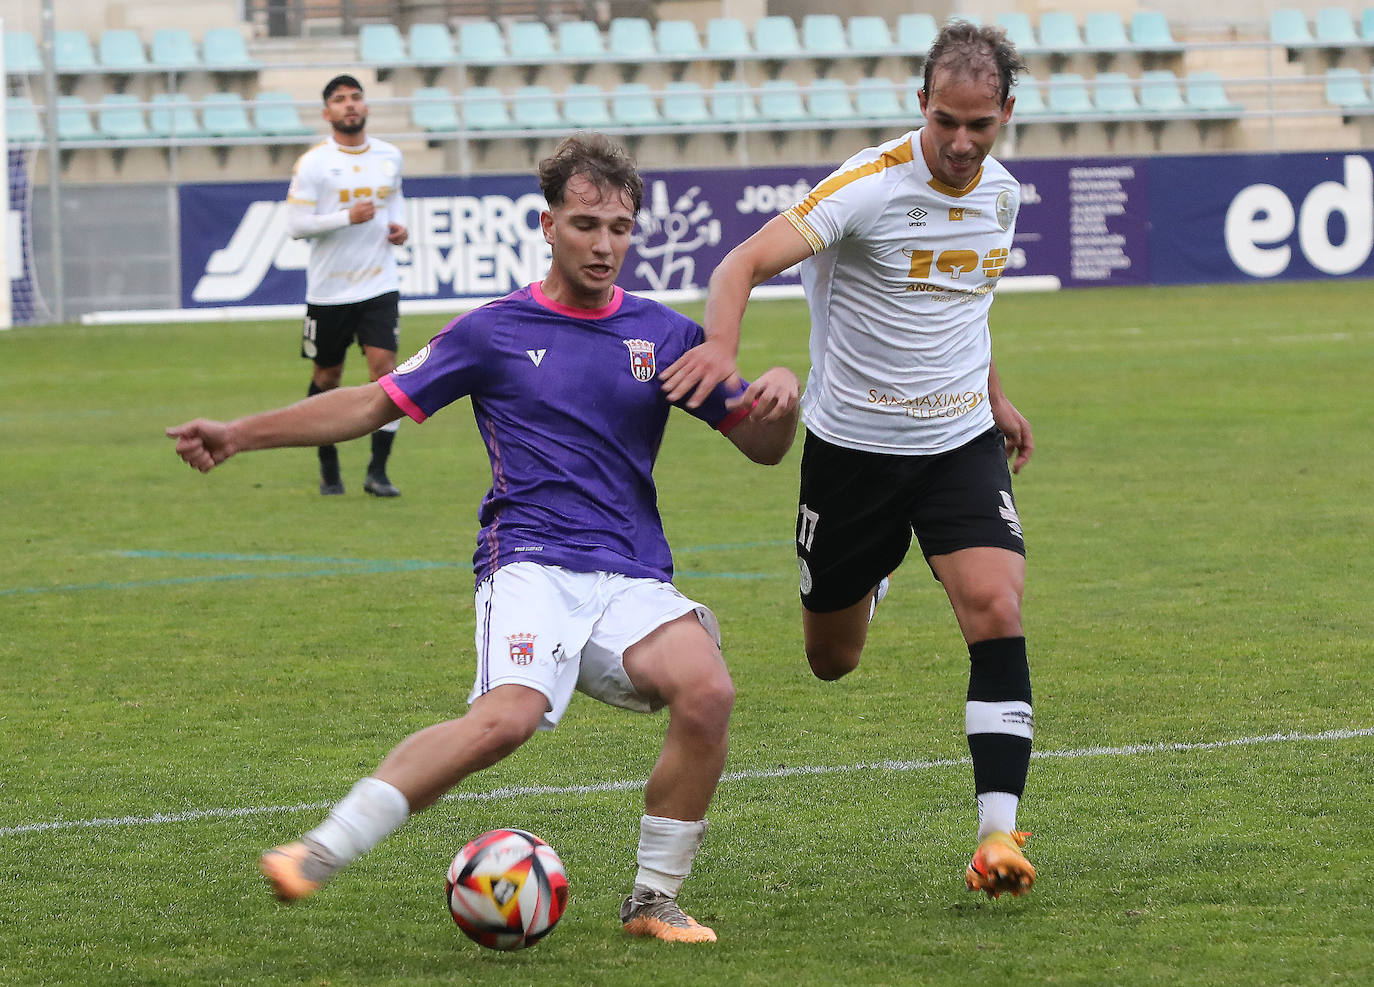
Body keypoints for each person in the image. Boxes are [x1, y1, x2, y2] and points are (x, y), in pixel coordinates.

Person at [168, 133, 801, 943]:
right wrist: (238, 433)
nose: (603, 244)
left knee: (708, 690)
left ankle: (652, 901)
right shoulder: (492, 331)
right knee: (506, 718)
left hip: (632, 572)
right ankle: (319, 850)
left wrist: (780, 400)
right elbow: (369, 404)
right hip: (529, 559)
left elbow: (760, 446)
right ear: (547, 224)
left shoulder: (665, 337)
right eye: (584, 225)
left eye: (618, 227)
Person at [659, 21, 1038, 900]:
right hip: (853, 454)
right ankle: (869, 578)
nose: (961, 141)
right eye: (946, 119)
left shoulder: (1004, 196)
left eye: (981, 125)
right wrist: (721, 350)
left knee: (996, 604)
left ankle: (997, 833)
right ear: (921, 105)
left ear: (1006, 115)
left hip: (956, 446)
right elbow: (739, 264)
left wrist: (994, 394)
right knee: (833, 659)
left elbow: (961, 309)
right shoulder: (867, 186)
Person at [286, 74, 409, 497]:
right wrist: (345, 218)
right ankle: (328, 465)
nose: (350, 105)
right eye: (340, 100)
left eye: (356, 97)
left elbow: (394, 199)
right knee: (327, 376)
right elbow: (296, 226)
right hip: (329, 291)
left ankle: (378, 471)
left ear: (366, 107)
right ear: (327, 113)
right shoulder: (314, 163)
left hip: (379, 282)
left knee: (385, 372)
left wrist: (400, 228)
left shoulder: (390, 156)